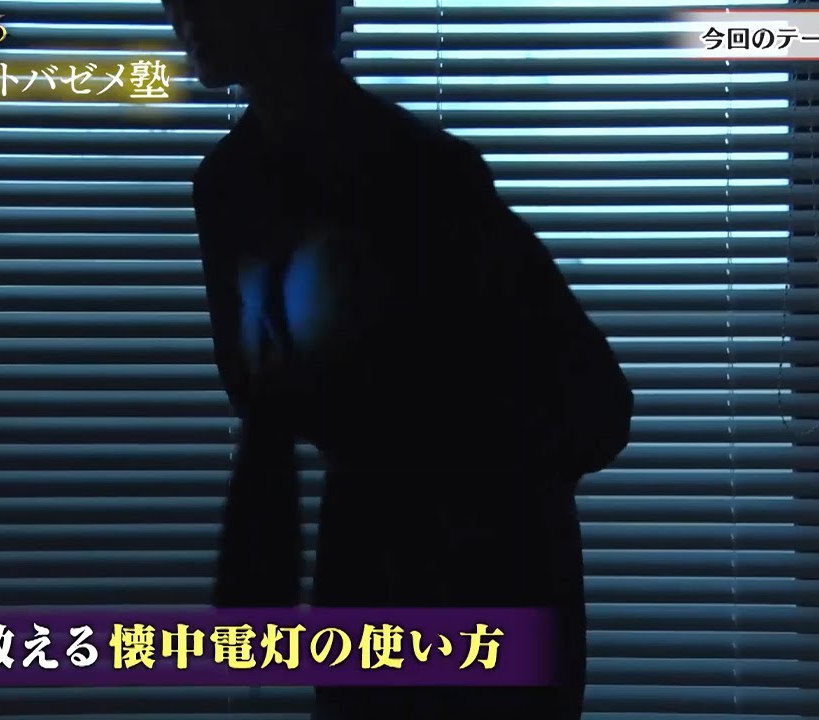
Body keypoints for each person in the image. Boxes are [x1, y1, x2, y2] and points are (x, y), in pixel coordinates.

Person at [160, 2, 633, 718]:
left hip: (487, 557)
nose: (182, 11)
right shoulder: (232, 184)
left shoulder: (423, 172)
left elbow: (590, 401)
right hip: (371, 557)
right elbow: (261, 390)